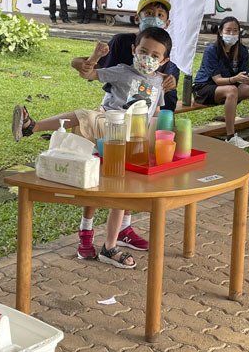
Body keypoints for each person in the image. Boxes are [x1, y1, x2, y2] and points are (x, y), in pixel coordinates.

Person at [12, 27, 172, 268]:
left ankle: (111, 242)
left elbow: (155, 113)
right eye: (143, 51)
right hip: (106, 128)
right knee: (85, 120)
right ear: (133, 50)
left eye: (154, 55)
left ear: (164, 60)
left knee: (122, 191)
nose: (147, 58)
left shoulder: (160, 83)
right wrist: (96, 56)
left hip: (132, 140)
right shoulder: (121, 72)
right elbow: (87, 74)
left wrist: (154, 143)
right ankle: (32, 126)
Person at [82, 0, 181, 112]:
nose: (155, 18)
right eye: (149, 13)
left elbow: (166, 88)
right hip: (115, 108)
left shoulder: (168, 49)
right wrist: (93, 57)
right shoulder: (121, 42)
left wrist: (171, 82)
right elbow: (93, 71)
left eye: (160, 15)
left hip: (146, 107)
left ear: (167, 23)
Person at [192, 16, 249, 149]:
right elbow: (217, 80)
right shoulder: (212, 50)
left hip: (230, 87)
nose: (232, 34)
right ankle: (230, 137)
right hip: (205, 88)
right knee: (232, 90)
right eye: (228, 30)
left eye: (235, 31)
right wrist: (235, 79)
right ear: (220, 31)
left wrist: (248, 79)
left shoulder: (242, 50)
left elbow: (245, 74)